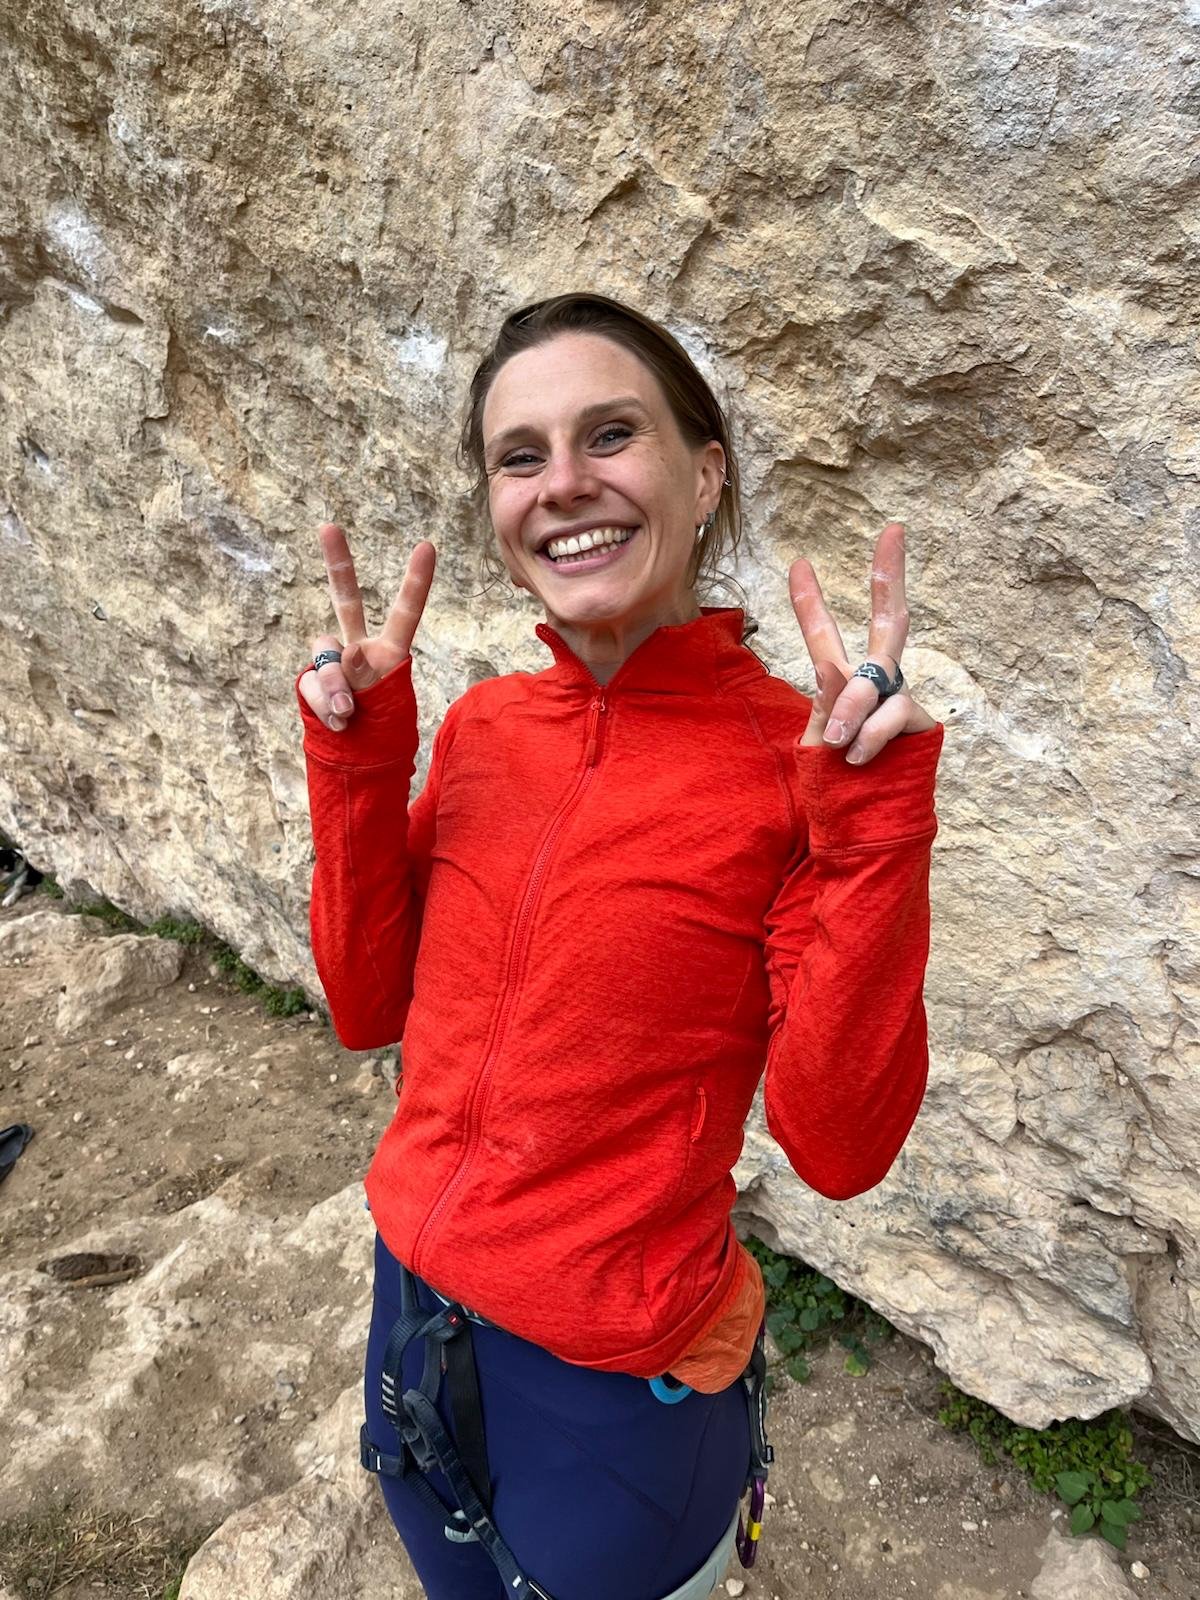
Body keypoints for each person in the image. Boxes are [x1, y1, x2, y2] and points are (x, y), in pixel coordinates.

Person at [295, 292, 945, 1600]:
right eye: (520, 455)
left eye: (611, 435)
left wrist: (872, 828)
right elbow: (368, 1006)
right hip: (412, 1297)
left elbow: (841, 1142)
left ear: (705, 476)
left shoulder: (787, 765)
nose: (564, 484)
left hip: (608, 1382)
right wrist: (358, 760)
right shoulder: (483, 728)